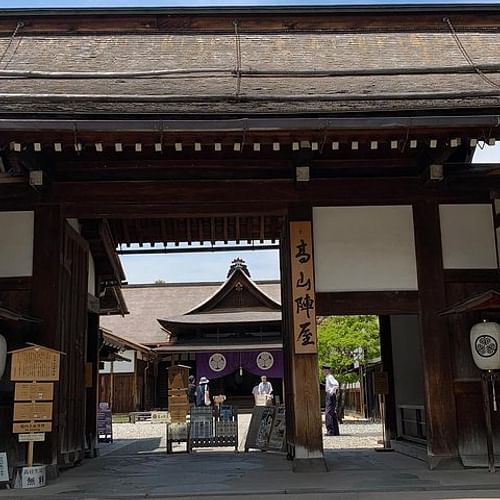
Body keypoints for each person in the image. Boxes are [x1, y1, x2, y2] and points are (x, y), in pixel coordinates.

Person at [322, 363, 340, 436]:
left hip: (330, 395)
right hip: (330, 395)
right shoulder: (328, 377)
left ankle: (330, 430)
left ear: (327, 370)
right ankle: (335, 431)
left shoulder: (330, 377)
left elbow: (336, 384)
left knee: (328, 413)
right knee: (332, 413)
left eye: (324, 370)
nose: (323, 372)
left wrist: (332, 392)